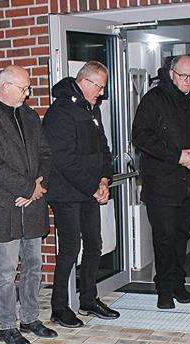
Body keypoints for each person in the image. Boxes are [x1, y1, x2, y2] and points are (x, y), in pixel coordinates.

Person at [0, 65, 56, 344]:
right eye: (24, 88)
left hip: (31, 205)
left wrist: (37, 187)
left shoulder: (30, 116)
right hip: (2, 207)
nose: (28, 93)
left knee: (33, 265)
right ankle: (6, 326)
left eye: (28, 88)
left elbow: (45, 152)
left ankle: (30, 318)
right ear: (5, 86)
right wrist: (27, 187)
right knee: (5, 272)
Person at [132, 54, 190, 310]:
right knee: (164, 237)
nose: (189, 81)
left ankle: (178, 283)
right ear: (171, 74)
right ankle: (163, 287)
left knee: (182, 236)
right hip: (161, 182)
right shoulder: (154, 99)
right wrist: (177, 156)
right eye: (184, 76)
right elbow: (140, 137)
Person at [42, 60, 120, 328]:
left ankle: (88, 298)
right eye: (100, 87)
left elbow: (103, 149)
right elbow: (64, 159)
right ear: (85, 82)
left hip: (88, 190)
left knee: (95, 245)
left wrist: (104, 179)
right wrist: (92, 186)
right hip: (66, 193)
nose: (102, 93)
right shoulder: (60, 112)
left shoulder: (91, 109)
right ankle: (59, 308)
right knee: (70, 249)